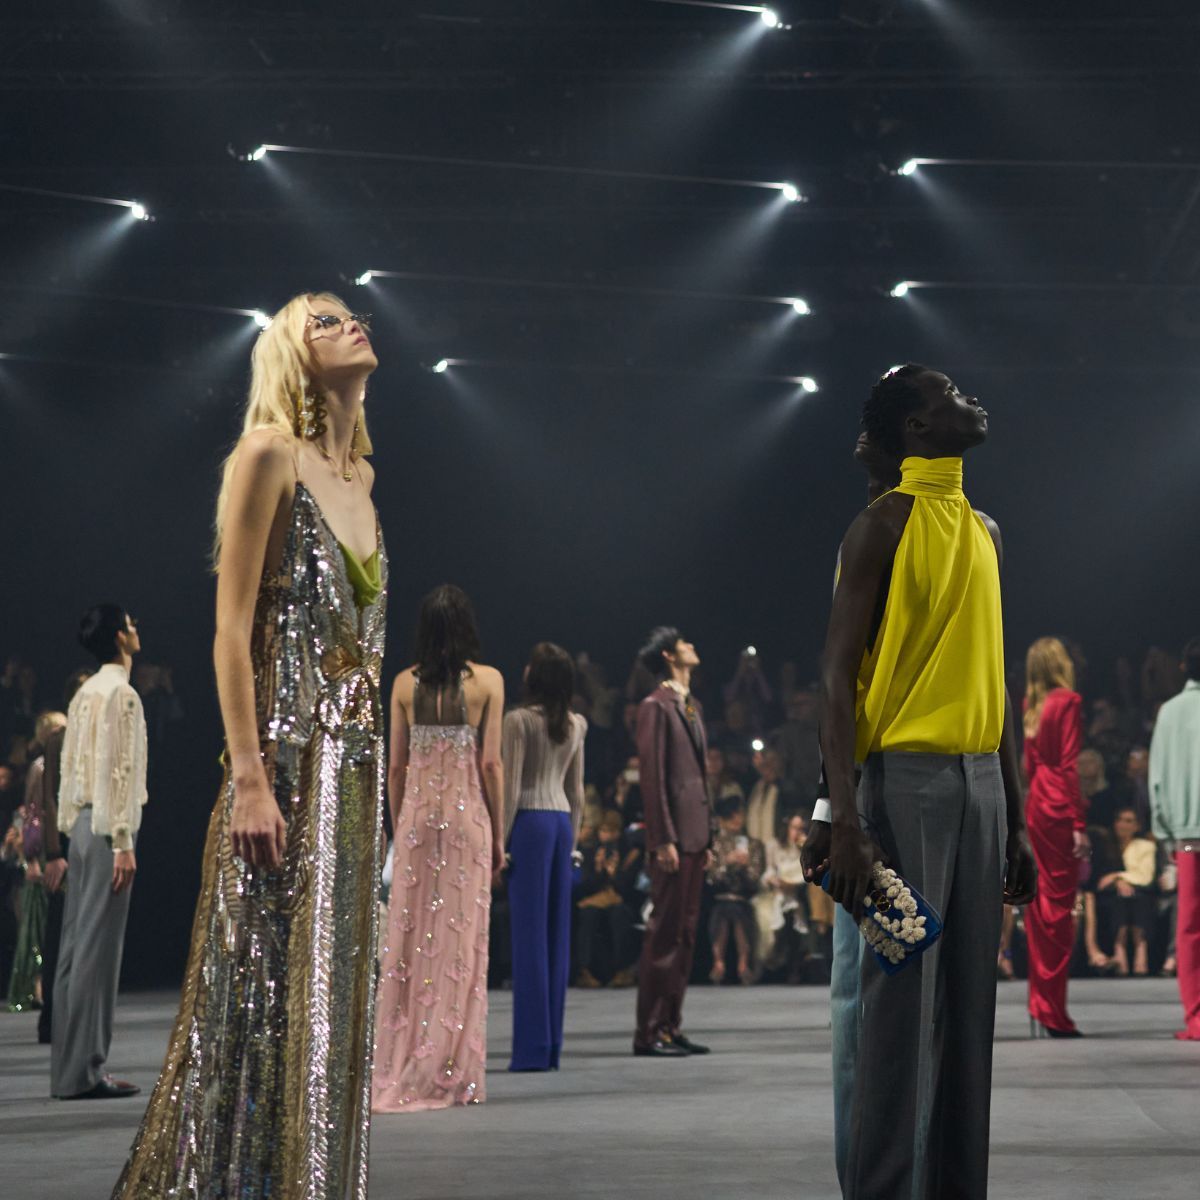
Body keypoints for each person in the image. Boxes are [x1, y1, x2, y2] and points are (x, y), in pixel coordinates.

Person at [114, 292, 386, 1195]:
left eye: (349, 312)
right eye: (323, 321)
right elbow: (231, 631)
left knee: (336, 1006)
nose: (349, 323)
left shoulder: (365, 479)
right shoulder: (268, 454)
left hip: (352, 778)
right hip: (281, 768)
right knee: (257, 1002)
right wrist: (250, 776)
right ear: (290, 358)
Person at [818, 364, 1037, 1200]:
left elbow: (996, 680)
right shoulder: (878, 528)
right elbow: (835, 678)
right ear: (916, 427)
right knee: (899, 1020)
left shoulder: (984, 530)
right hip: (901, 783)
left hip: (979, 783)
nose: (970, 401)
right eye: (948, 396)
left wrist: (1015, 815)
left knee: (969, 1017)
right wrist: (843, 816)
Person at [800, 426, 900, 1190]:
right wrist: (834, 808)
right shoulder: (871, 544)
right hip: (873, 785)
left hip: (868, 785)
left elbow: (842, 691)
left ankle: (871, 1168)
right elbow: (840, 692)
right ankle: (868, 1170)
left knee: (859, 999)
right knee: (859, 1000)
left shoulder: (889, 541)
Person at [373, 585, 505, 1111]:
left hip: (418, 825)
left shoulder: (404, 684)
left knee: (409, 948)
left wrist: (398, 825)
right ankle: (453, 1067)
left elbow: (396, 767)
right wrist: (500, 832)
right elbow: (491, 765)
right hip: (468, 821)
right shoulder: (490, 682)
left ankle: (405, 1060)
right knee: (461, 946)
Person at [52, 605, 148, 1101]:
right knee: (96, 952)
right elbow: (117, 767)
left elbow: (71, 768)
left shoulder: (86, 691)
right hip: (107, 828)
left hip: (82, 827)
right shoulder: (120, 694)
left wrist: (70, 827)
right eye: (131, 624)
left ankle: (68, 1072)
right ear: (119, 636)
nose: (137, 630)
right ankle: (86, 1071)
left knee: (75, 949)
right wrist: (123, 840)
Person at [503, 641, 586, 1071]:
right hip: (560, 827)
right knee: (557, 939)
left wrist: (499, 843)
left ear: (535, 675)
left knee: (529, 937)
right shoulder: (577, 724)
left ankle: (531, 1050)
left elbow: (512, 789)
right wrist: (573, 845)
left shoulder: (517, 722)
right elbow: (577, 792)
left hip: (530, 827)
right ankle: (551, 1046)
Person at [632, 626, 713, 1058]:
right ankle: (648, 1032)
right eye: (686, 642)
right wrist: (662, 837)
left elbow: (698, 777)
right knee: (664, 934)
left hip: (695, 836)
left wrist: (709, 833)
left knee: (684, 934)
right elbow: (654, 777)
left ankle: (670, 1024)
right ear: (668, 654)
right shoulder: (655, 707)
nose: (692, 646)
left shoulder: (691, 706)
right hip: (674, 838)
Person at [1023, 637, 1090, 1037]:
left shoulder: (1032, 706)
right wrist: (1078, 820)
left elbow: (1031, 765)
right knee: (1060, 913)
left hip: (1036, 805)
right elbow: (1067, 764)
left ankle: (1041, 1004)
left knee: (1040, 908)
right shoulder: (1068, 702)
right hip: (1059, 807)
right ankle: (1052, 1011)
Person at [35, 670, 91, 1043]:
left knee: (81, 932)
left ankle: (68, 1020)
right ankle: (53, 1019)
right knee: (61, 934)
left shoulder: (89, 737)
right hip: (67, 845)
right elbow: (50, 800)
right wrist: (53, 852)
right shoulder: (61, 739)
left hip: (84, 839)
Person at [1150, 636, 1200, 1039]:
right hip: (1185, 832)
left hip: (1186, 836)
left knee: (1189, 927)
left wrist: (1165, 832)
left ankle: (1196, 1017)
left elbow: (1157, 779)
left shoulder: (1169, 712)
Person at [6, 710, 67, 1013]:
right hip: (42, 848)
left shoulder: (58, 766)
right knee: (36, 922)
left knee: (46, 921)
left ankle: (42, 986)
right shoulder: (40, 768)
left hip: (53, 843)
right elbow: (32, 814)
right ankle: (34, 986)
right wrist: (30, 857)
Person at [574, 809, 641, 988]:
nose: (607, 836)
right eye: (603, 831)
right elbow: (585, 887)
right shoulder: (590, 852)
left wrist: (614, 874)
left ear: (619, 832)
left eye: (611, 832)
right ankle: (585, 969)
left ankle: (622, 969)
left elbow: (630, 889)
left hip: (621, 900)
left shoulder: (630, 853)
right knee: (588, 914)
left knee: (620, 914)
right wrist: (597, 870)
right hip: (596, 899)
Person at [706, 797, 766, 984]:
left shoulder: (754, 844)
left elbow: (754, 880)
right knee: (726, 909)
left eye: (739, 815)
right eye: (730, 816)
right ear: (722, 820)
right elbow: (712, 879)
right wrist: (728, 863)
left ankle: (722, 963)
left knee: (734, 909)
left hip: (743, 898)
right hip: (720, 898)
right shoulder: (715, 844)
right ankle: (740, 964)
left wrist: (744, 866)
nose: (736, 820)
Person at [1093, 806, 1157, 976]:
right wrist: (1118, 883)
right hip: (1111, 895)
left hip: (1141, 892)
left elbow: (1145, 877)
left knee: (1136, 897)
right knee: (1121, 898)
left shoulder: (1145, 846)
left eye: (1129, 821)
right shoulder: (1106, 846)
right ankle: (1119, 947)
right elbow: (1099, 881)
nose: (1123, 824)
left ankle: (1140, 949)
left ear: (1137, 826)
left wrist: (1118, 876)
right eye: (1120, 820)